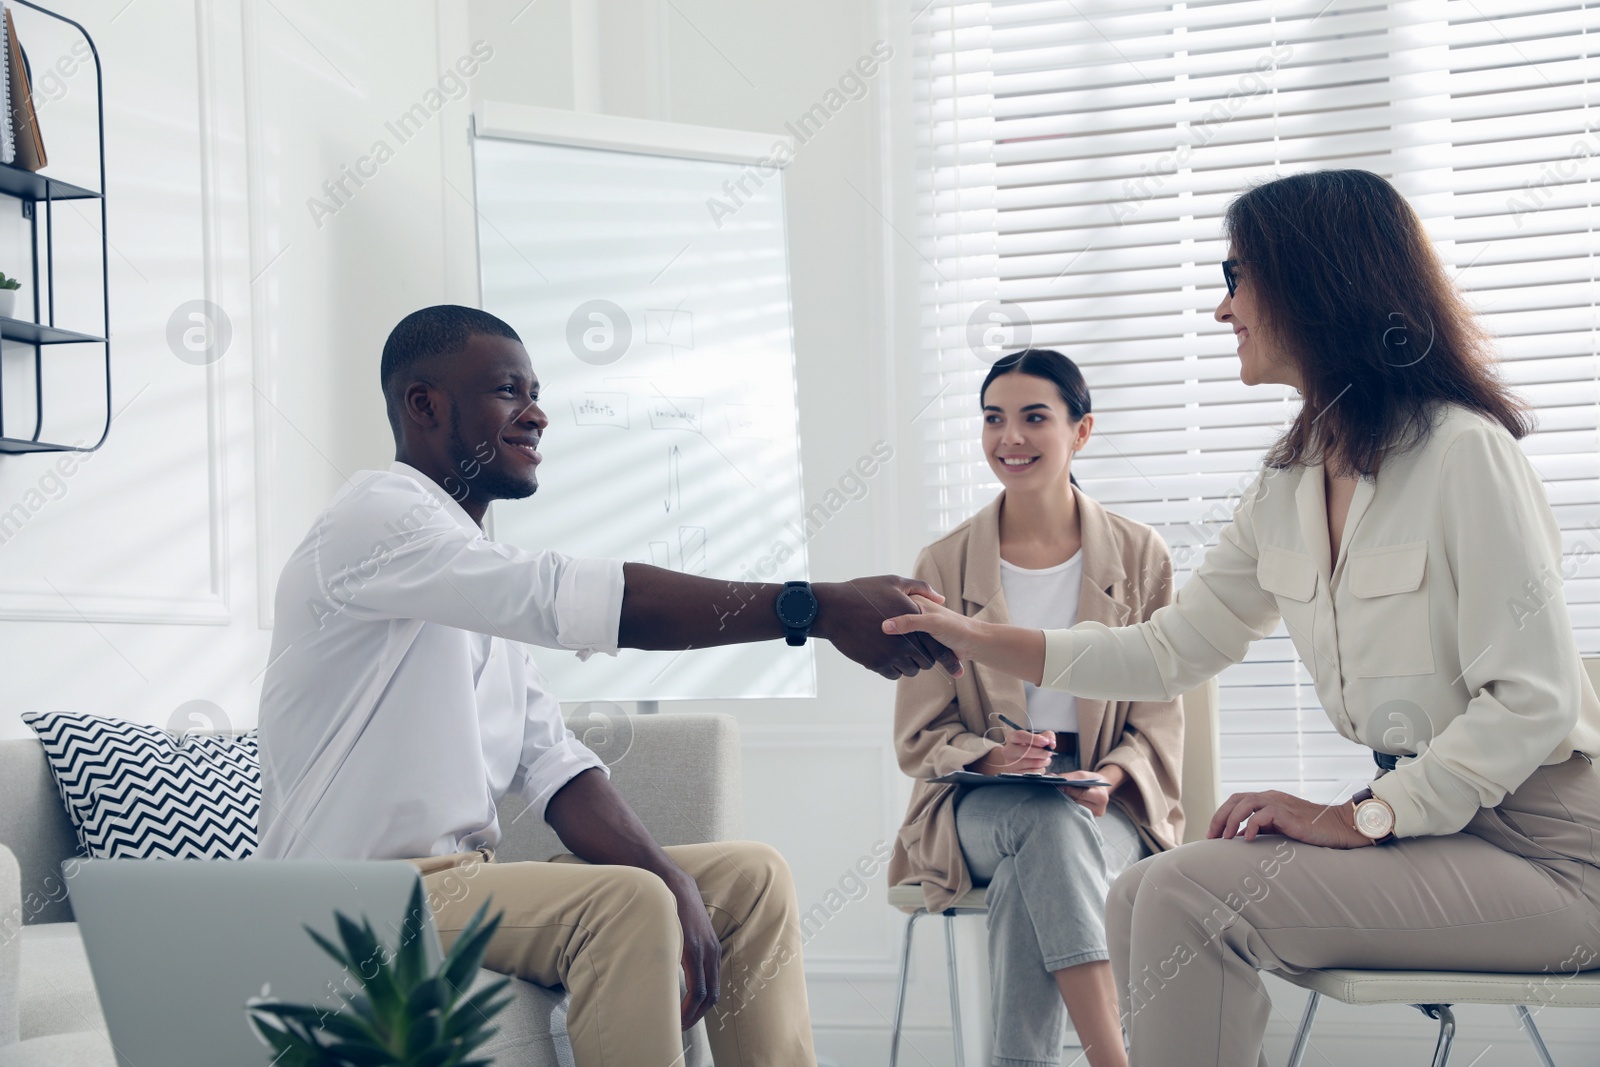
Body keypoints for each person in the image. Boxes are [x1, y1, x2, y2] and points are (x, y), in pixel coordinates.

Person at [881, 170, 1600, 1066]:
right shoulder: (1293, 477)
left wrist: (1362, 814)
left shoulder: (1464, 453)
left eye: (1235, 277)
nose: (1223, 310)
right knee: (1142, 889)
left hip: (1554, 856)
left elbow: (1531, 702)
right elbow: (1170, 649)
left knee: (1182, 893)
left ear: (1313, 281)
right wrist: (983, 637)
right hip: (1441, 830)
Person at [255, 305, 961, 1067]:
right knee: (625, 906)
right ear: (422, 404)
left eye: (534, 390)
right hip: (354, 902)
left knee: (750, 878)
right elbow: (592, 601)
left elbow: (554, 764)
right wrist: (814, 606)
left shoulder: (467, 568)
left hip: (460, 886)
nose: (537, 413)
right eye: (506, 390)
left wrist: (669, 873)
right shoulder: (377, 520)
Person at [889, 349, 1183, 1067]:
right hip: (978, 799)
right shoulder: (943, 563)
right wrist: (989, 755)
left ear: (1080, 432)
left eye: (1033, 418)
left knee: (1041, 852)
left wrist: (1107, 778)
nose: (1008, 438)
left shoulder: (1142, 556)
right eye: (993, 419)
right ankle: (1115, 1056)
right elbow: (919, 731)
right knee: (1038, 821)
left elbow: (1158, 719)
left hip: (1105, 799)